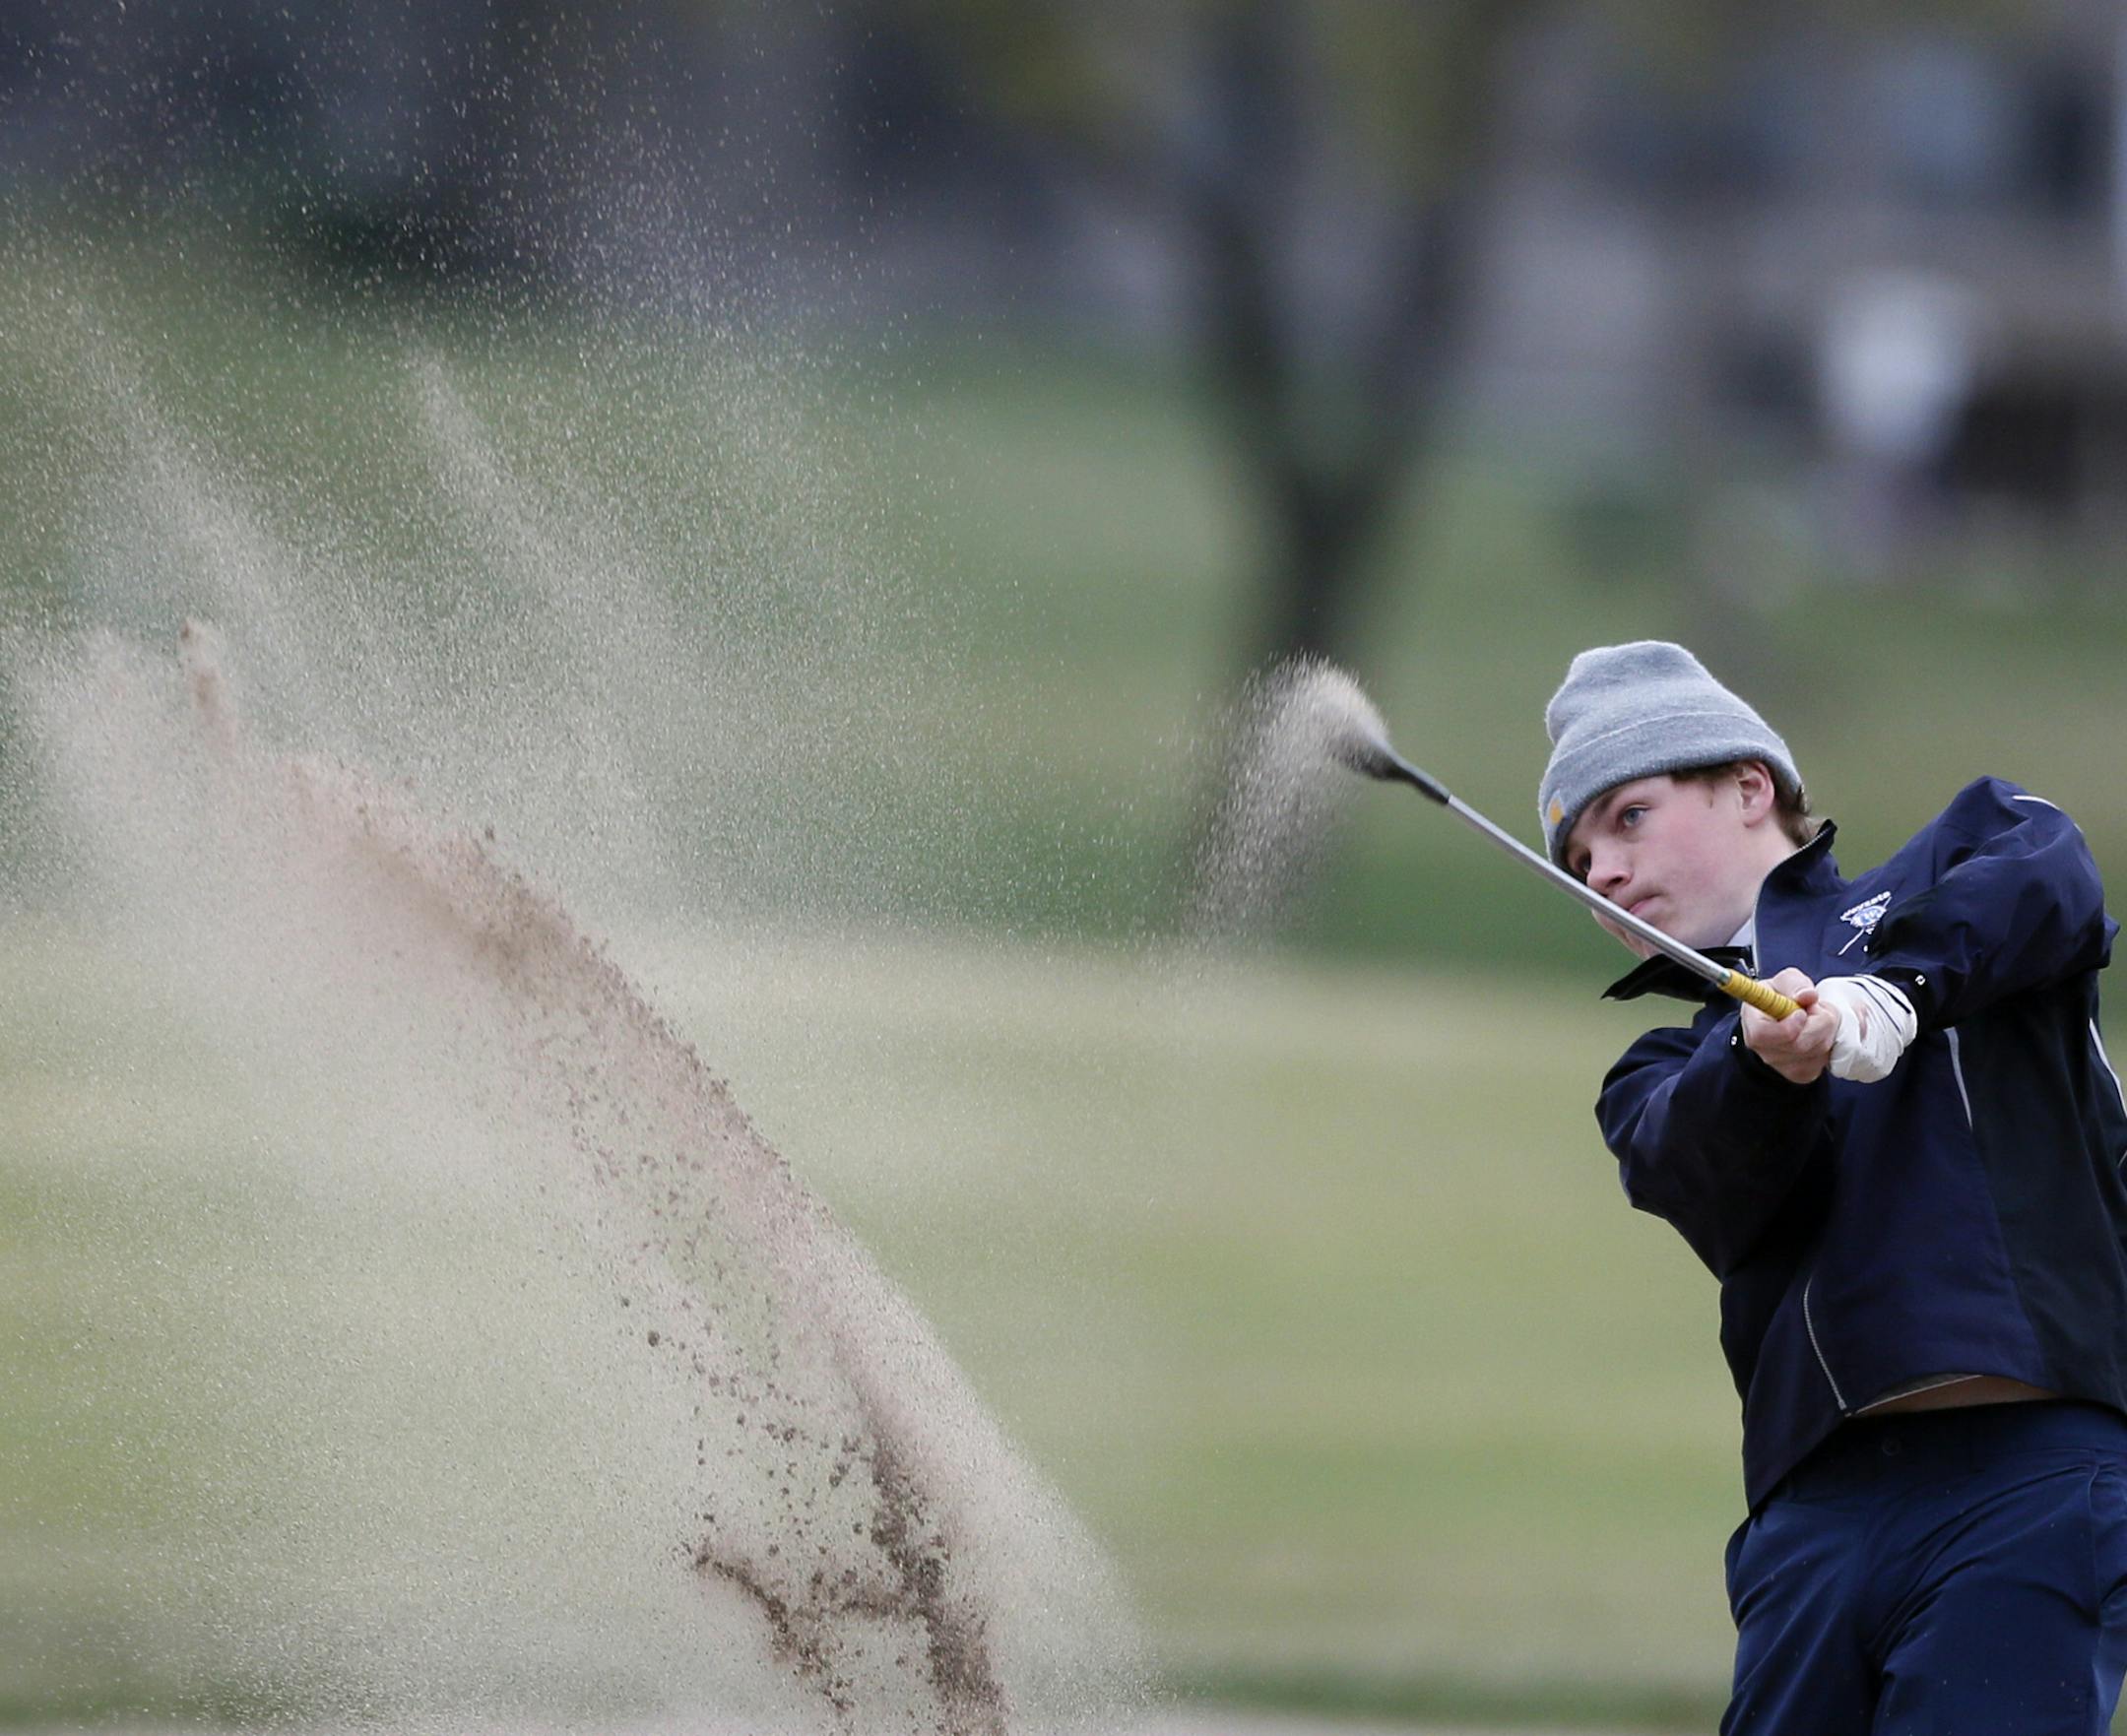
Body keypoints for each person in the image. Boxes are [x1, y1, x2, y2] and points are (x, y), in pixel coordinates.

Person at [1539, 640, 2127, 1734]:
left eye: (1627, 816)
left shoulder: (1959, 856)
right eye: (1578, 862)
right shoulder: (1668, 1065)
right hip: (1813, 1523)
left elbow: (2050, 877)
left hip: (2028, 1477)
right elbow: (1694, 1169)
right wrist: (1765, 1062)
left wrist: (1888, 994)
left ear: (1748, 785)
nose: (1604, 872)